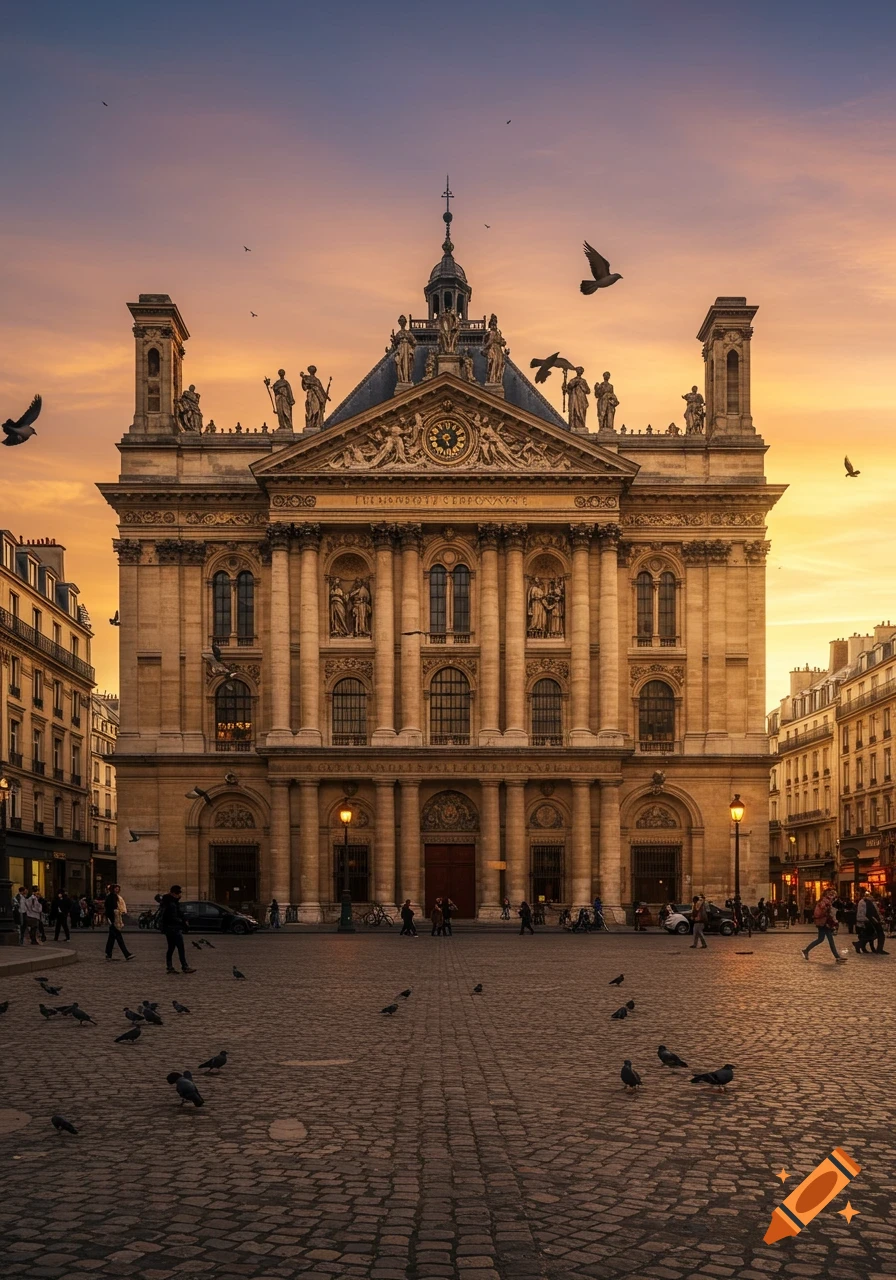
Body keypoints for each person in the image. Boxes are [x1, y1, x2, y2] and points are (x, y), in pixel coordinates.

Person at [802, 889, 846, 964]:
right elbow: (824, 910)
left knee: (821, 939)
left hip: (822, 922)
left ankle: (806, 950)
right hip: (824, 922)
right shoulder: (825, 901)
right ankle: (837, 956)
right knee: (830, 939)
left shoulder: (824, 900)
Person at [158, 885, 195, 974]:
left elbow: (179, 913)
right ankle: (184, 966)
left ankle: (170, 967)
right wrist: (182, 922)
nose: (179, 895)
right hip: (173, 928)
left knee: (171, 948)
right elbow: (172, 916)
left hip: (170, 928)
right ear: (173, 893)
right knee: (180, 948)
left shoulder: (170, 902)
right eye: (178, 893)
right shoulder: (171, 904)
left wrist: (184, 919)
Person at [104, 883, 134, 962]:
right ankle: (126, 954)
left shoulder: (111, 896)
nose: (117, 890)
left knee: (112, 938)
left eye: (118, 889)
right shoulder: (113, 897)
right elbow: (113, 909)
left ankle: (108, 953)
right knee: (119, 938)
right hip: (114, 919)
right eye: (116, 888)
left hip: (113, 919)